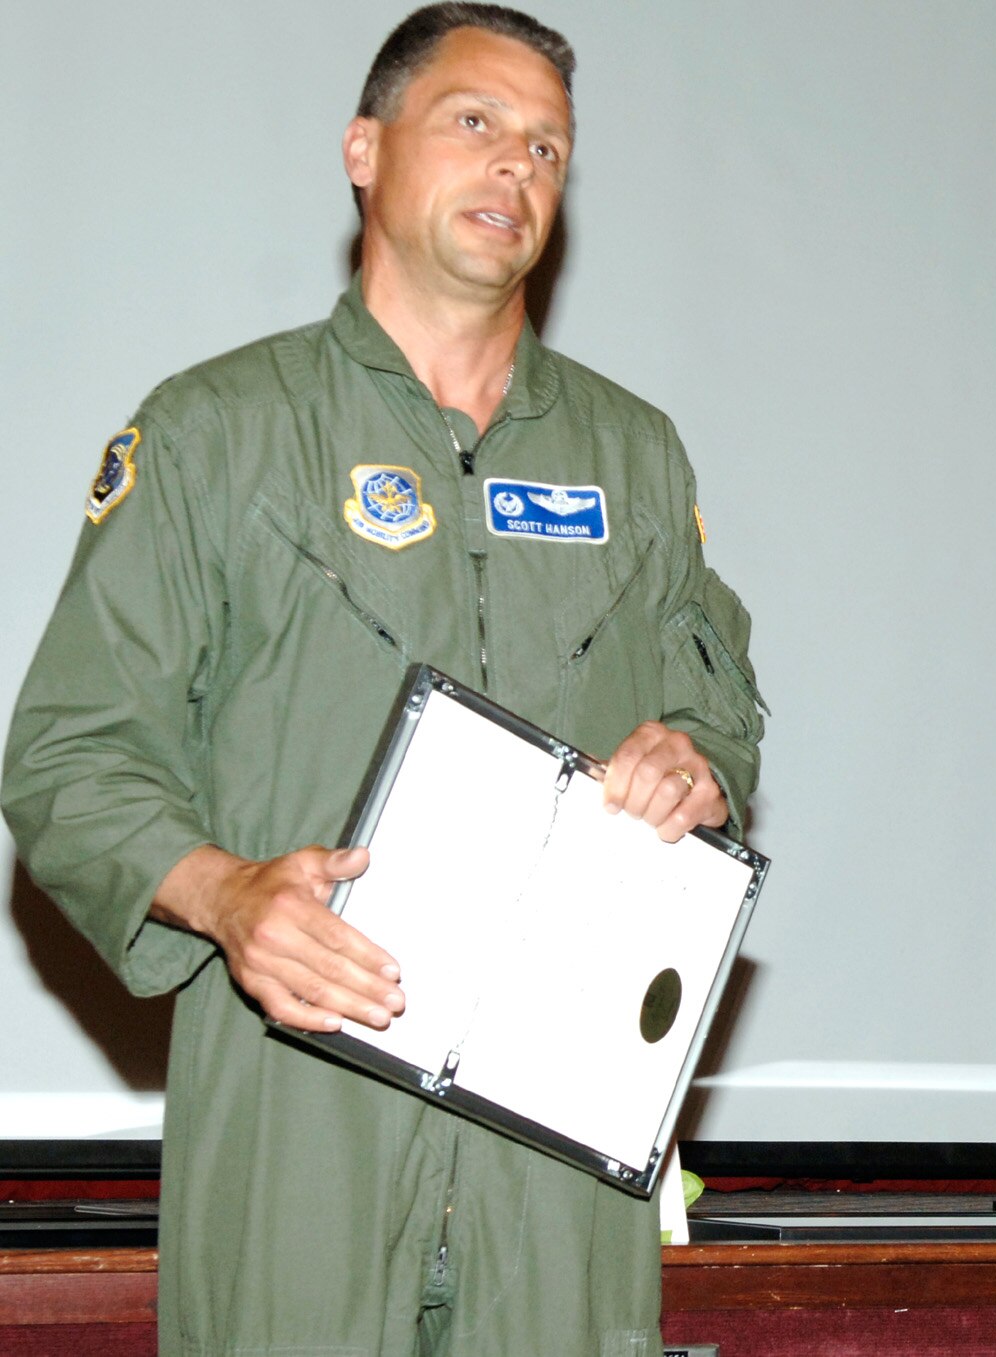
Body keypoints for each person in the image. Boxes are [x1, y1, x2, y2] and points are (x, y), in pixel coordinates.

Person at [1, 6, 765, 1354]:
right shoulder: (217, 433)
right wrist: (224, 894)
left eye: (547, 146)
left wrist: (698, 760)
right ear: (365, 149)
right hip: (303, 1116)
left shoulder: (635, 459)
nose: (515, 168)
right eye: (474, 123)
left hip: (558, 1150)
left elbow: (720, 706)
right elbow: (68, 762)